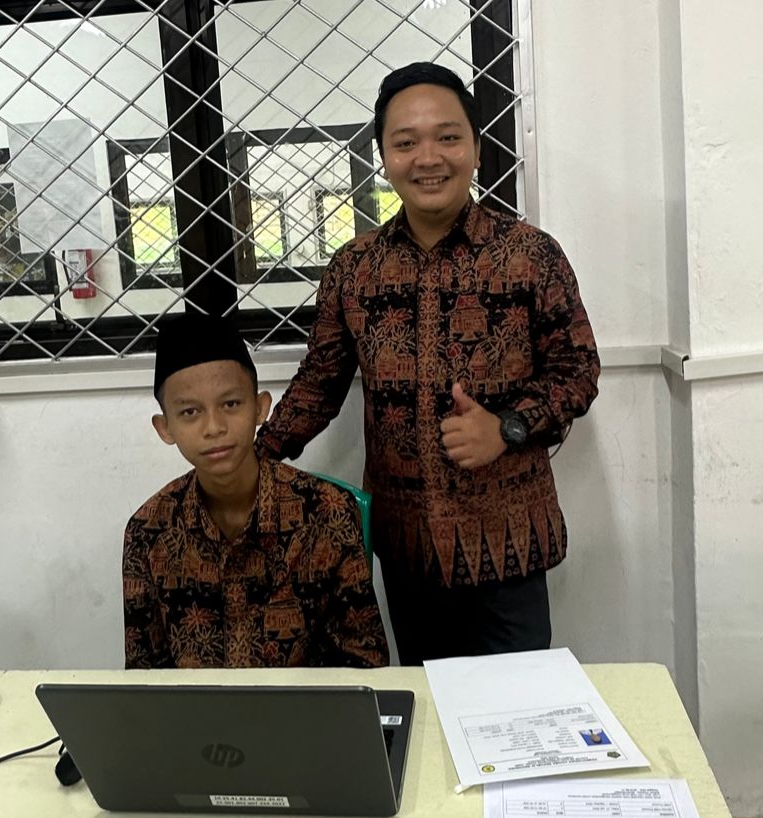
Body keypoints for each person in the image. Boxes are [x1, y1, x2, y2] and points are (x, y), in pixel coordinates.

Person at [256, 62, 600, 664]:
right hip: (407, 548)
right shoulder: (353, 268)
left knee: (516, 707)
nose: (428, 158)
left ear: (476, 149)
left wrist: (506, 427)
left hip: (508, 545)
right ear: (384, 158)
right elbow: (320, 383)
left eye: (447, 137)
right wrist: (253, 458)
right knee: (428, 703)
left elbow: (578, 371)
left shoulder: (531, 255)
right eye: (406, 142)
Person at [122, 314, 389, 669]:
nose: (214, 427)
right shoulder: (148, 531)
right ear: (165, 428)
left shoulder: (327, 512)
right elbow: (144, 677)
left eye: (230, 404)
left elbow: (366, 662)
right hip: (196, 707)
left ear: (261, 408)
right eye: (190, 412)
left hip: (310, 704)